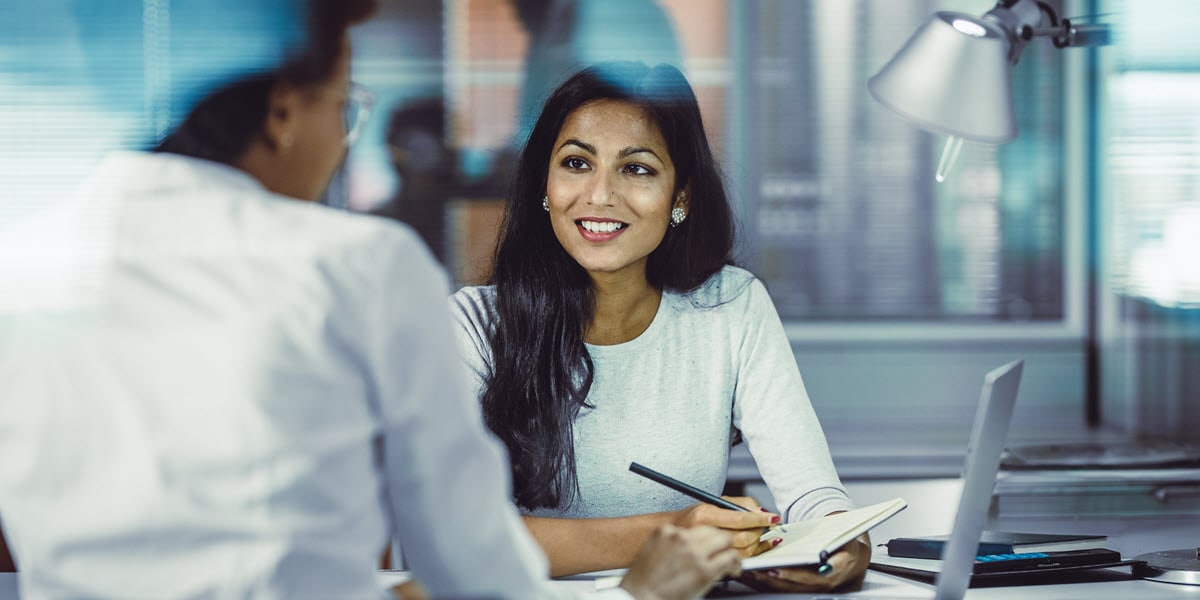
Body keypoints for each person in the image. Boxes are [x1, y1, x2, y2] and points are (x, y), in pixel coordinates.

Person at [0, 4, 741, 598]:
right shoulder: (353, 267)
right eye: (346, 108)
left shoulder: (20, 265)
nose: (347, 140)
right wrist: (637, 594)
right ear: (283, 112)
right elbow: (473, 566)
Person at [450, 61, 872, 593]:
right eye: (577, 163)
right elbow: (459, 537)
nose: (600, 195)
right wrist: (677, 529)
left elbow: (813, 494)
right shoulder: (472, 326)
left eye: (638, 169)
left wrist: (842, 541)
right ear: (544, 185)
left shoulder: (731, 307)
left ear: (681, 197)